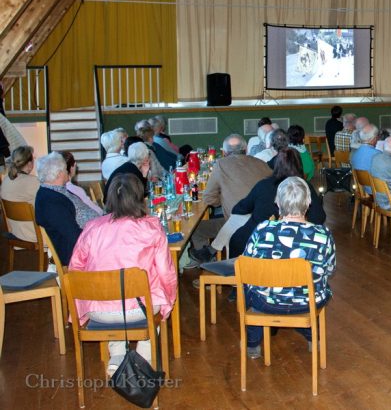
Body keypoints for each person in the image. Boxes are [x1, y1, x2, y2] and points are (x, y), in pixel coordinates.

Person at [69, 173, 177, 376]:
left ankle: (117, 356)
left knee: (113, 292)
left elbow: (75, 269)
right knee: (150, 300)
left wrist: (77, 308)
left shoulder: (92, 227)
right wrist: (168, 303)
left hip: (97, 310)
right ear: (140, 197)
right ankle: (143, 360)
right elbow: (166, 272)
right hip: (139, 309)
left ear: (109, 198)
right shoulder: (151, 226)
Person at [242, 176, 335, 359]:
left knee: (249, 287)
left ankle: (253, 344)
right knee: (317, 285)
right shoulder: (323, 235)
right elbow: (329, 269)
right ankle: (311, 335)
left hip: (266, 302)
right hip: (307, 302)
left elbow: (248, 265)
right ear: (308, 202)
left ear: (277, 202)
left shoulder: (262, 230)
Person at [229, 148, 326, 258]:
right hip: (297, 247)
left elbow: (240, 208)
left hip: (256, 245)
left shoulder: (263, 185)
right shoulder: (305, 188)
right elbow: (319, 217)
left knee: (236, 238)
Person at [189, 134, 272, 262]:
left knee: (196, 229)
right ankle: (211, 254)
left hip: (237, 225)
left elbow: (209, 199)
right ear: (246, 150)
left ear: (224, 152)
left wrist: (222, 200)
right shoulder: (262, 164)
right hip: (266, 223)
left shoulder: (221, 164)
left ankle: (208, 265)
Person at [35, 152, 96, 265]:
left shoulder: (55, 191)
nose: (67, 171)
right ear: (58, 174)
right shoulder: (50, 201)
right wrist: (101, 238)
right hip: (80, 253)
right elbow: (74, 236)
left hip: (91, 237)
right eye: (64, 169)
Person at [0, 146, 40, 243]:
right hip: (33, 234)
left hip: (14, 231)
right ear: (30, 163)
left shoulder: (5, 181)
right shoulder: (33, 182)